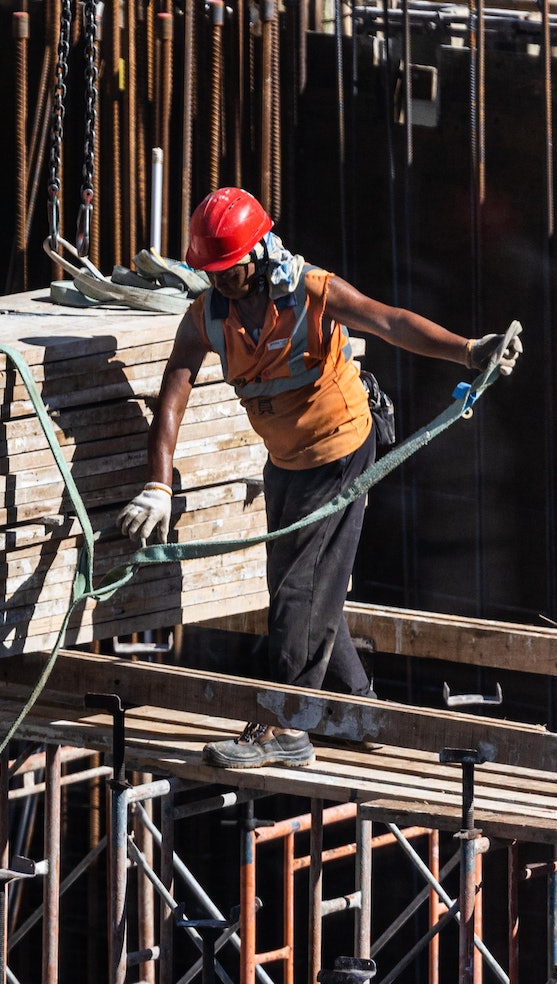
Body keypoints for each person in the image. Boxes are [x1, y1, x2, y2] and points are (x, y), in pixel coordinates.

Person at [115, 188, 522, 769]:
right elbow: (172, 395)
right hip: (285, 463)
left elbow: (390, 321)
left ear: (258, 253)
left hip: (340, 452)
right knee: (301, 587)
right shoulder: (208, 317)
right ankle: (359, 709)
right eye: (213, 273)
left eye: (230, 271)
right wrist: (158, 484)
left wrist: (468, 351)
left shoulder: (310, 291)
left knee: (300, 592)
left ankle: (284, 727)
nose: (223, 283)